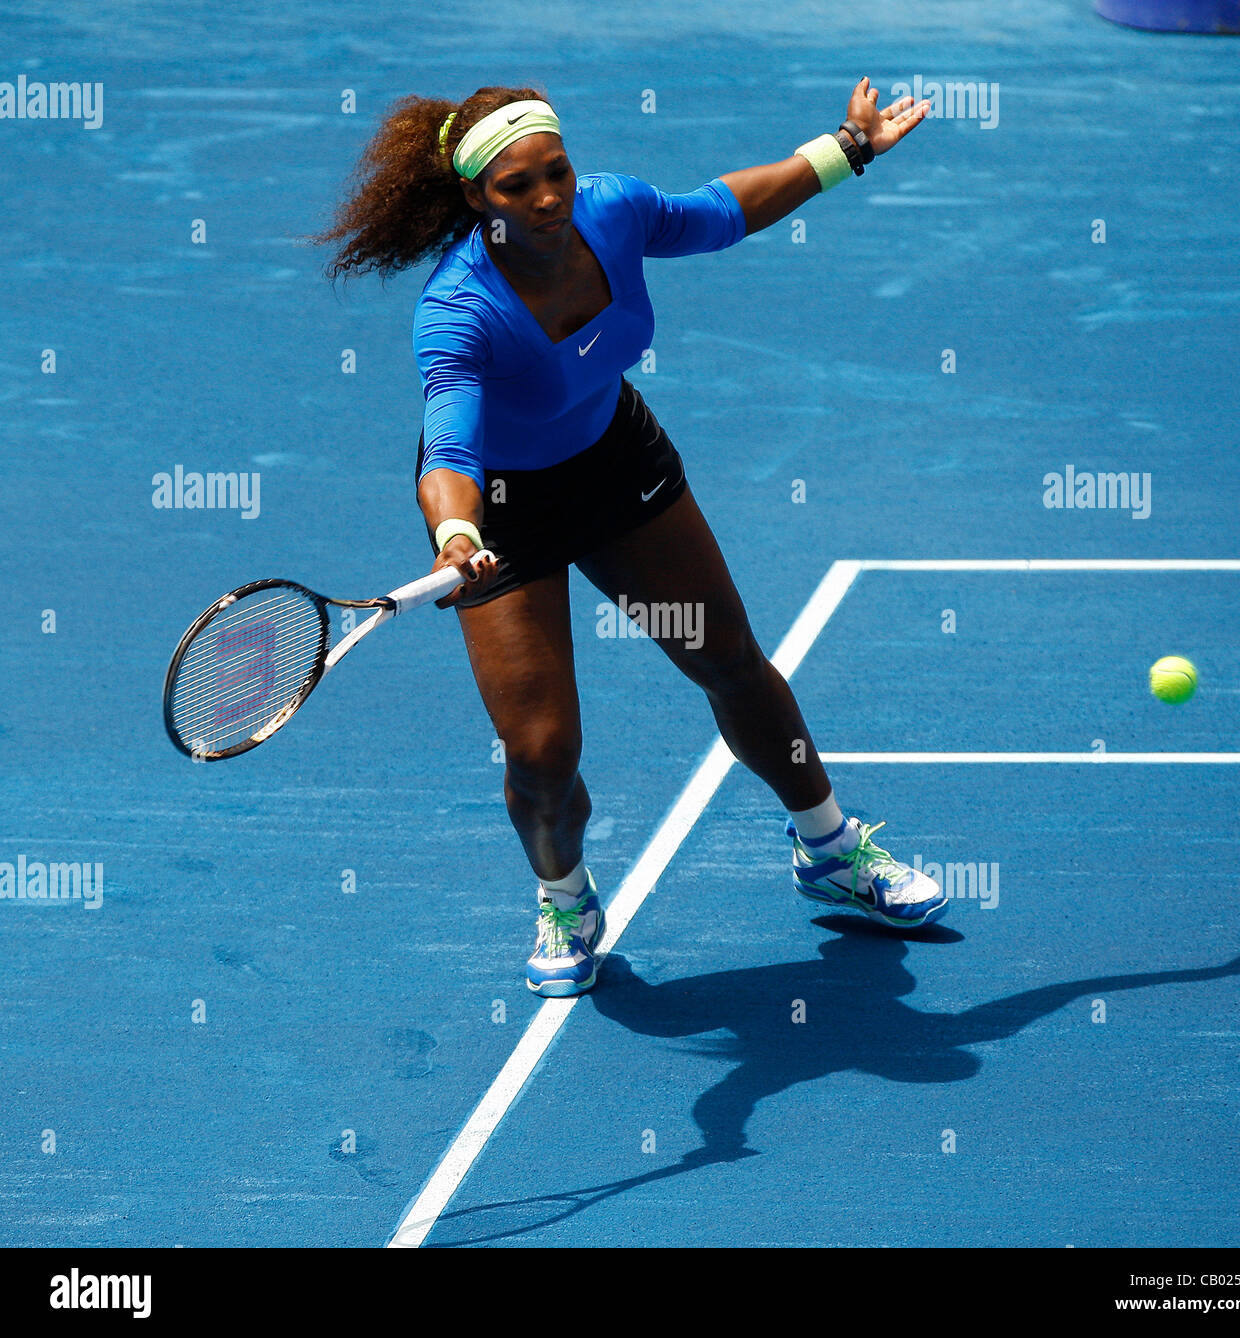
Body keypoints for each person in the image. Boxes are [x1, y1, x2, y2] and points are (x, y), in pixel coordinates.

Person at [316, 77, 947, 998]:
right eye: (515, 187)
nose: (545, 199)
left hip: (617, 468)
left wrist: (843, 152)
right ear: (473, 200)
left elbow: (723, 211)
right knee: (539, 753)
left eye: (556, 173)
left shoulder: (614, 211)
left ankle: (831, 846)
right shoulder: (458, 308)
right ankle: (564, 896)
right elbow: (449, 440)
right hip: (499, 511)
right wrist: (456, 530)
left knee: (729, 660)